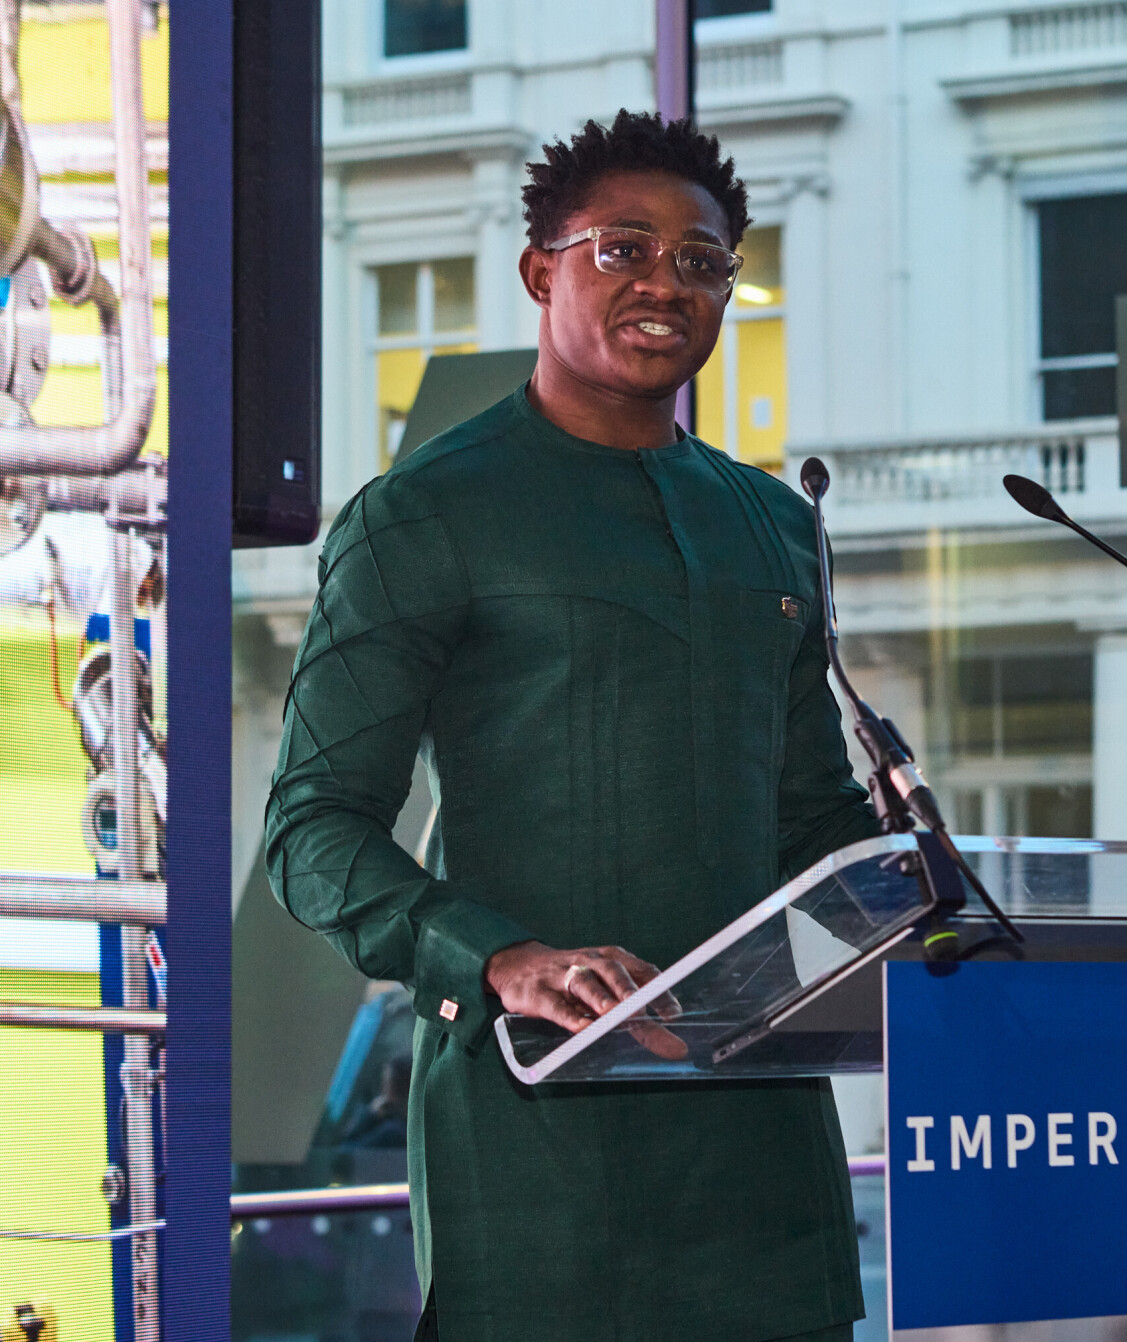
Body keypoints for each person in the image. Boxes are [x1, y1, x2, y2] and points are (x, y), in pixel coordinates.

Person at [264, 110, 879, 1342]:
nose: (666, 283)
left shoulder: (771, 525)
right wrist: (500, 959)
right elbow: (311, 832)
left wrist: (928, 910)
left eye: (701, 261)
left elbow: (814, 817)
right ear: (540, 270)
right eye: (622, 249)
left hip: (760, 1153)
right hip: (536, 1142)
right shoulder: (422, 515)